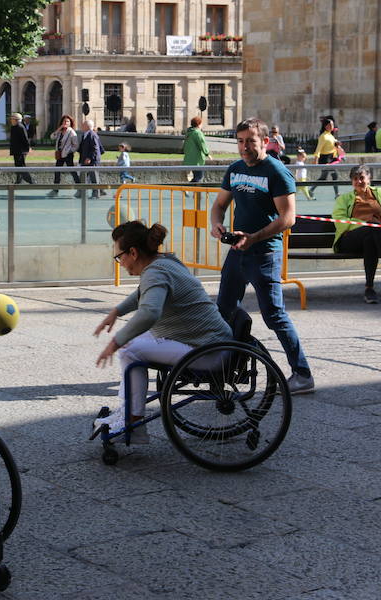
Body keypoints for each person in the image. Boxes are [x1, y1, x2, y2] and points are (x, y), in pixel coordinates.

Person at [93, 221, 233, 443]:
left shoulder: (155, 272)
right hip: (213, 341)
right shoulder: (165, 261)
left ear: (133, 252)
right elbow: (144, 293)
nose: (120, 263)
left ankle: (134, 421)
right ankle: (128, 410)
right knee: (135, 343)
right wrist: (117, 311)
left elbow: (149, 313)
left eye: (119, 257)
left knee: (129, 351)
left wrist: (115, 343)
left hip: (206, 350)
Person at [210, 118, 314, 394]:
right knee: (223, 311)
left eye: (250, 141)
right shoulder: (235, 169)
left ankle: (302, 375)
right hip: (236, 253)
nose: (244, 147)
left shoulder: (276, 172)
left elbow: (288, 218)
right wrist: (216, 224)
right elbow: (219, 205)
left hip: (264, 253)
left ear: (265, 142)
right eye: (240, 141)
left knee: (273, 315)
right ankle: (222, 367)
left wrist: (254, 237)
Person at [331, 165, 381, 304]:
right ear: (351, 181)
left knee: (371, 240)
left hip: (374, 237)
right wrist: (364, 224)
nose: (359, 181)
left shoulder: (380, 193)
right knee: (373, 227)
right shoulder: (344, 199)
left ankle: (369, 289)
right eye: (355, 179)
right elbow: (340, 220)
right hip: (350, 239)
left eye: (362, 178)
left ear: (369, 179)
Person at [48, 114, 81, 197]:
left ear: (70, 123)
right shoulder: (60, 131)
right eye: (64, 121)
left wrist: (69, 151)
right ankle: (55, 190)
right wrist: (59, 128)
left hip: (68, 155)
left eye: (67, 121)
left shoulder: (71, 132)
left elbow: (76, 145)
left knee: (72, 171)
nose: (65, 123)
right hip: (59, 155)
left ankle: (80, 188)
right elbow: (52, 137)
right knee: (57, 171)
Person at [309, 118, 340, 199]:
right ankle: (337, 194)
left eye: (332, 125)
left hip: (331, 158)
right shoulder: (323, 136)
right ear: (325, 126)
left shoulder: (331, 135)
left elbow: (332, 147)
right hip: (325, 159)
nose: (332, 126)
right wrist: (315, 160)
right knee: (335, 175)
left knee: (324, 177)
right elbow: (318, 149)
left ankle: (311, 189)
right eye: (330, 125)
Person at [78, 119, 106, 198]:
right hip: (85, 160)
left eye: (83, 125)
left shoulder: (92, 134)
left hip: (91, 160)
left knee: (93, 176)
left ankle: (96, 193)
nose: (82, 126)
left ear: (87, 126)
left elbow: (95, 148)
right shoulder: (85, 134)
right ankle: (82, 192)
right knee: (83, 176)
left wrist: (90, 157)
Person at [183, 116, 212, 183]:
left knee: (196, 176)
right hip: (197, 160)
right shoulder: (197, 133)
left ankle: (192, 191)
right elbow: (202, 144)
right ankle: (187, 188)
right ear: (198, 124)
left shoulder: (189, 133)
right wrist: (207, 154)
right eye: (201, 123)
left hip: (189, 159)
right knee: (199, 177)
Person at [8, 112, 33, 185]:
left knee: (21, 166)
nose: (11, 121)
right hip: (16, 150)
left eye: (12, 119)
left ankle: (31, 181)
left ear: (17, 120)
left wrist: (28, 148)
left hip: (21, 151)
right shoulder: (13, 127)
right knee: (17, 165)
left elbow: (25, 139)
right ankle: (18, 180)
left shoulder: (20, 127)